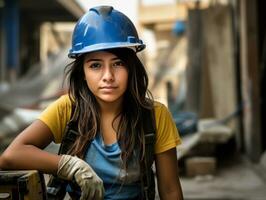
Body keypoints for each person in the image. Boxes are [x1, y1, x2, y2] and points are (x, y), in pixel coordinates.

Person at [0, 5, 183, 200]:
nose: (108, 76)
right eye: (95, 65)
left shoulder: (154, 115)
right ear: (83, 73)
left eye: (118, 63)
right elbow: (10, 156)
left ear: (131, 68)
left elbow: (170, 190)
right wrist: (69, 166)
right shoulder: (68, 109)